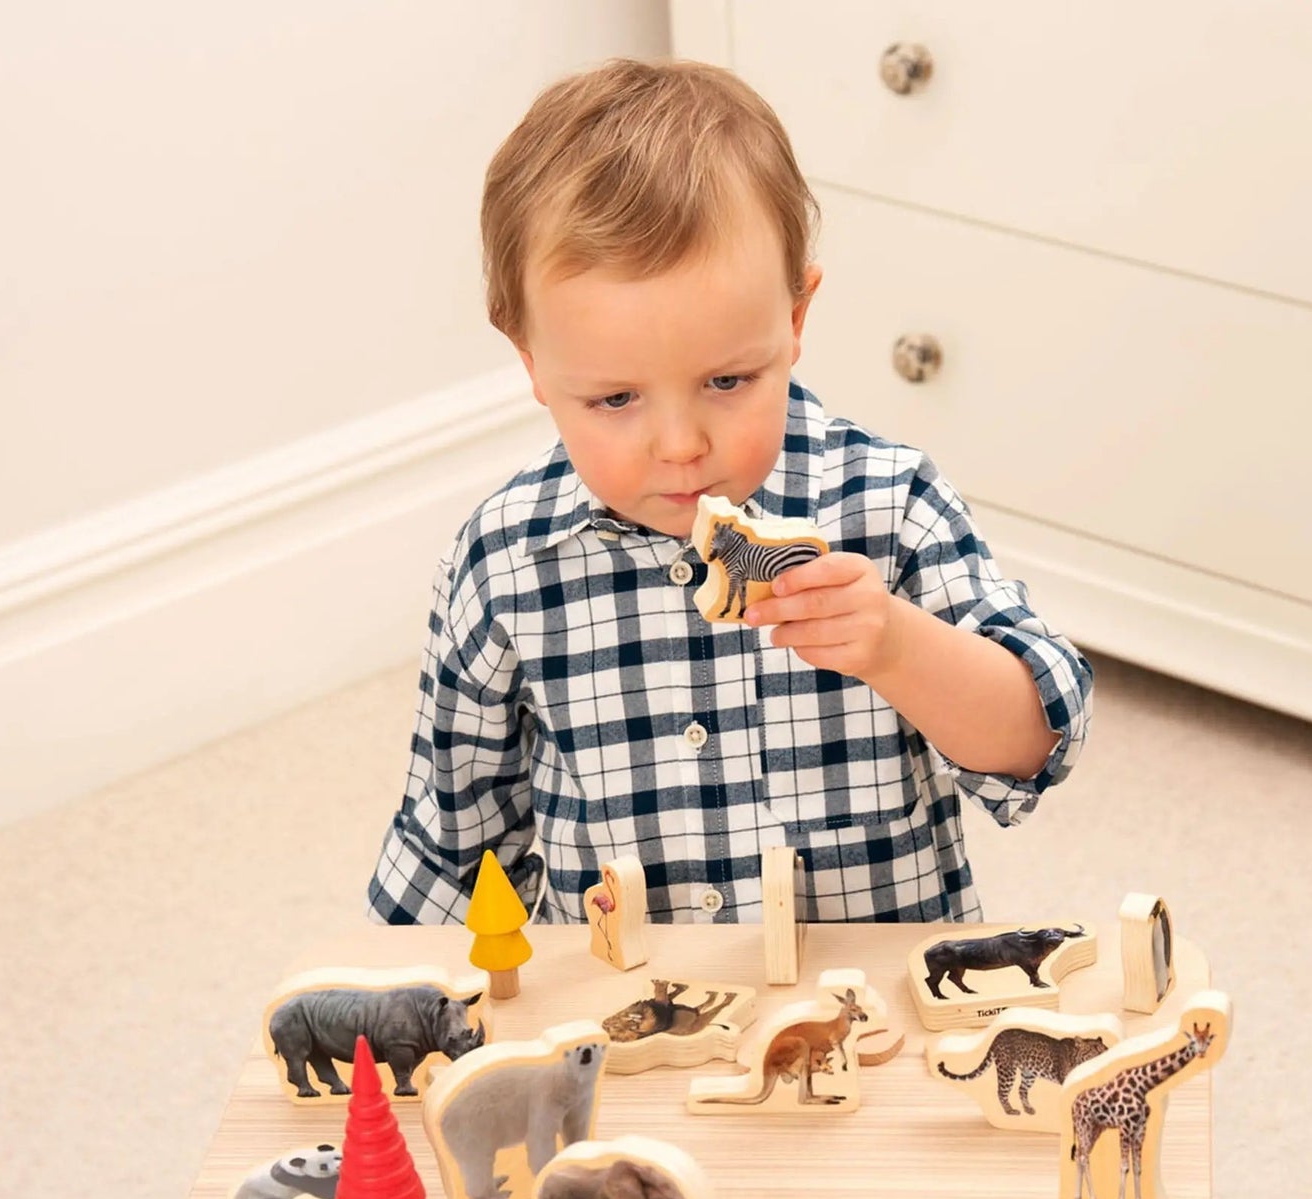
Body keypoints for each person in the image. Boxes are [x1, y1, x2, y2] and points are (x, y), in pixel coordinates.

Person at [368, 57, 1093, 927]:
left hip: (868, 1024)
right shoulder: (504, 562)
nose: (680, 448)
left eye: (726, 381)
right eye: (615, 399)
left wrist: (896, 646)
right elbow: (453, 846)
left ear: (794, 319)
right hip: (627, 1029)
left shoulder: (887, 504)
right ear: (532, 366)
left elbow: (1038, 741)